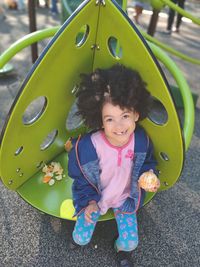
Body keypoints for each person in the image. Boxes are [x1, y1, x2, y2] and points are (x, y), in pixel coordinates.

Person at [67, 64, 160, 267]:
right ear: (100, 120)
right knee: (80, 238)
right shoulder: (89, 147)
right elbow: (80, 177)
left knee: (130, 242)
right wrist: (89, 202)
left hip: (125, 198)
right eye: (110, 119)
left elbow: (149, 161)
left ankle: (119, 248)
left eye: (125, 116)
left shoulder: (141, 141)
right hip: (96, 198)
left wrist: (149, 174)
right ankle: (78, 238)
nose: (119, 126)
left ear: (136, 114)